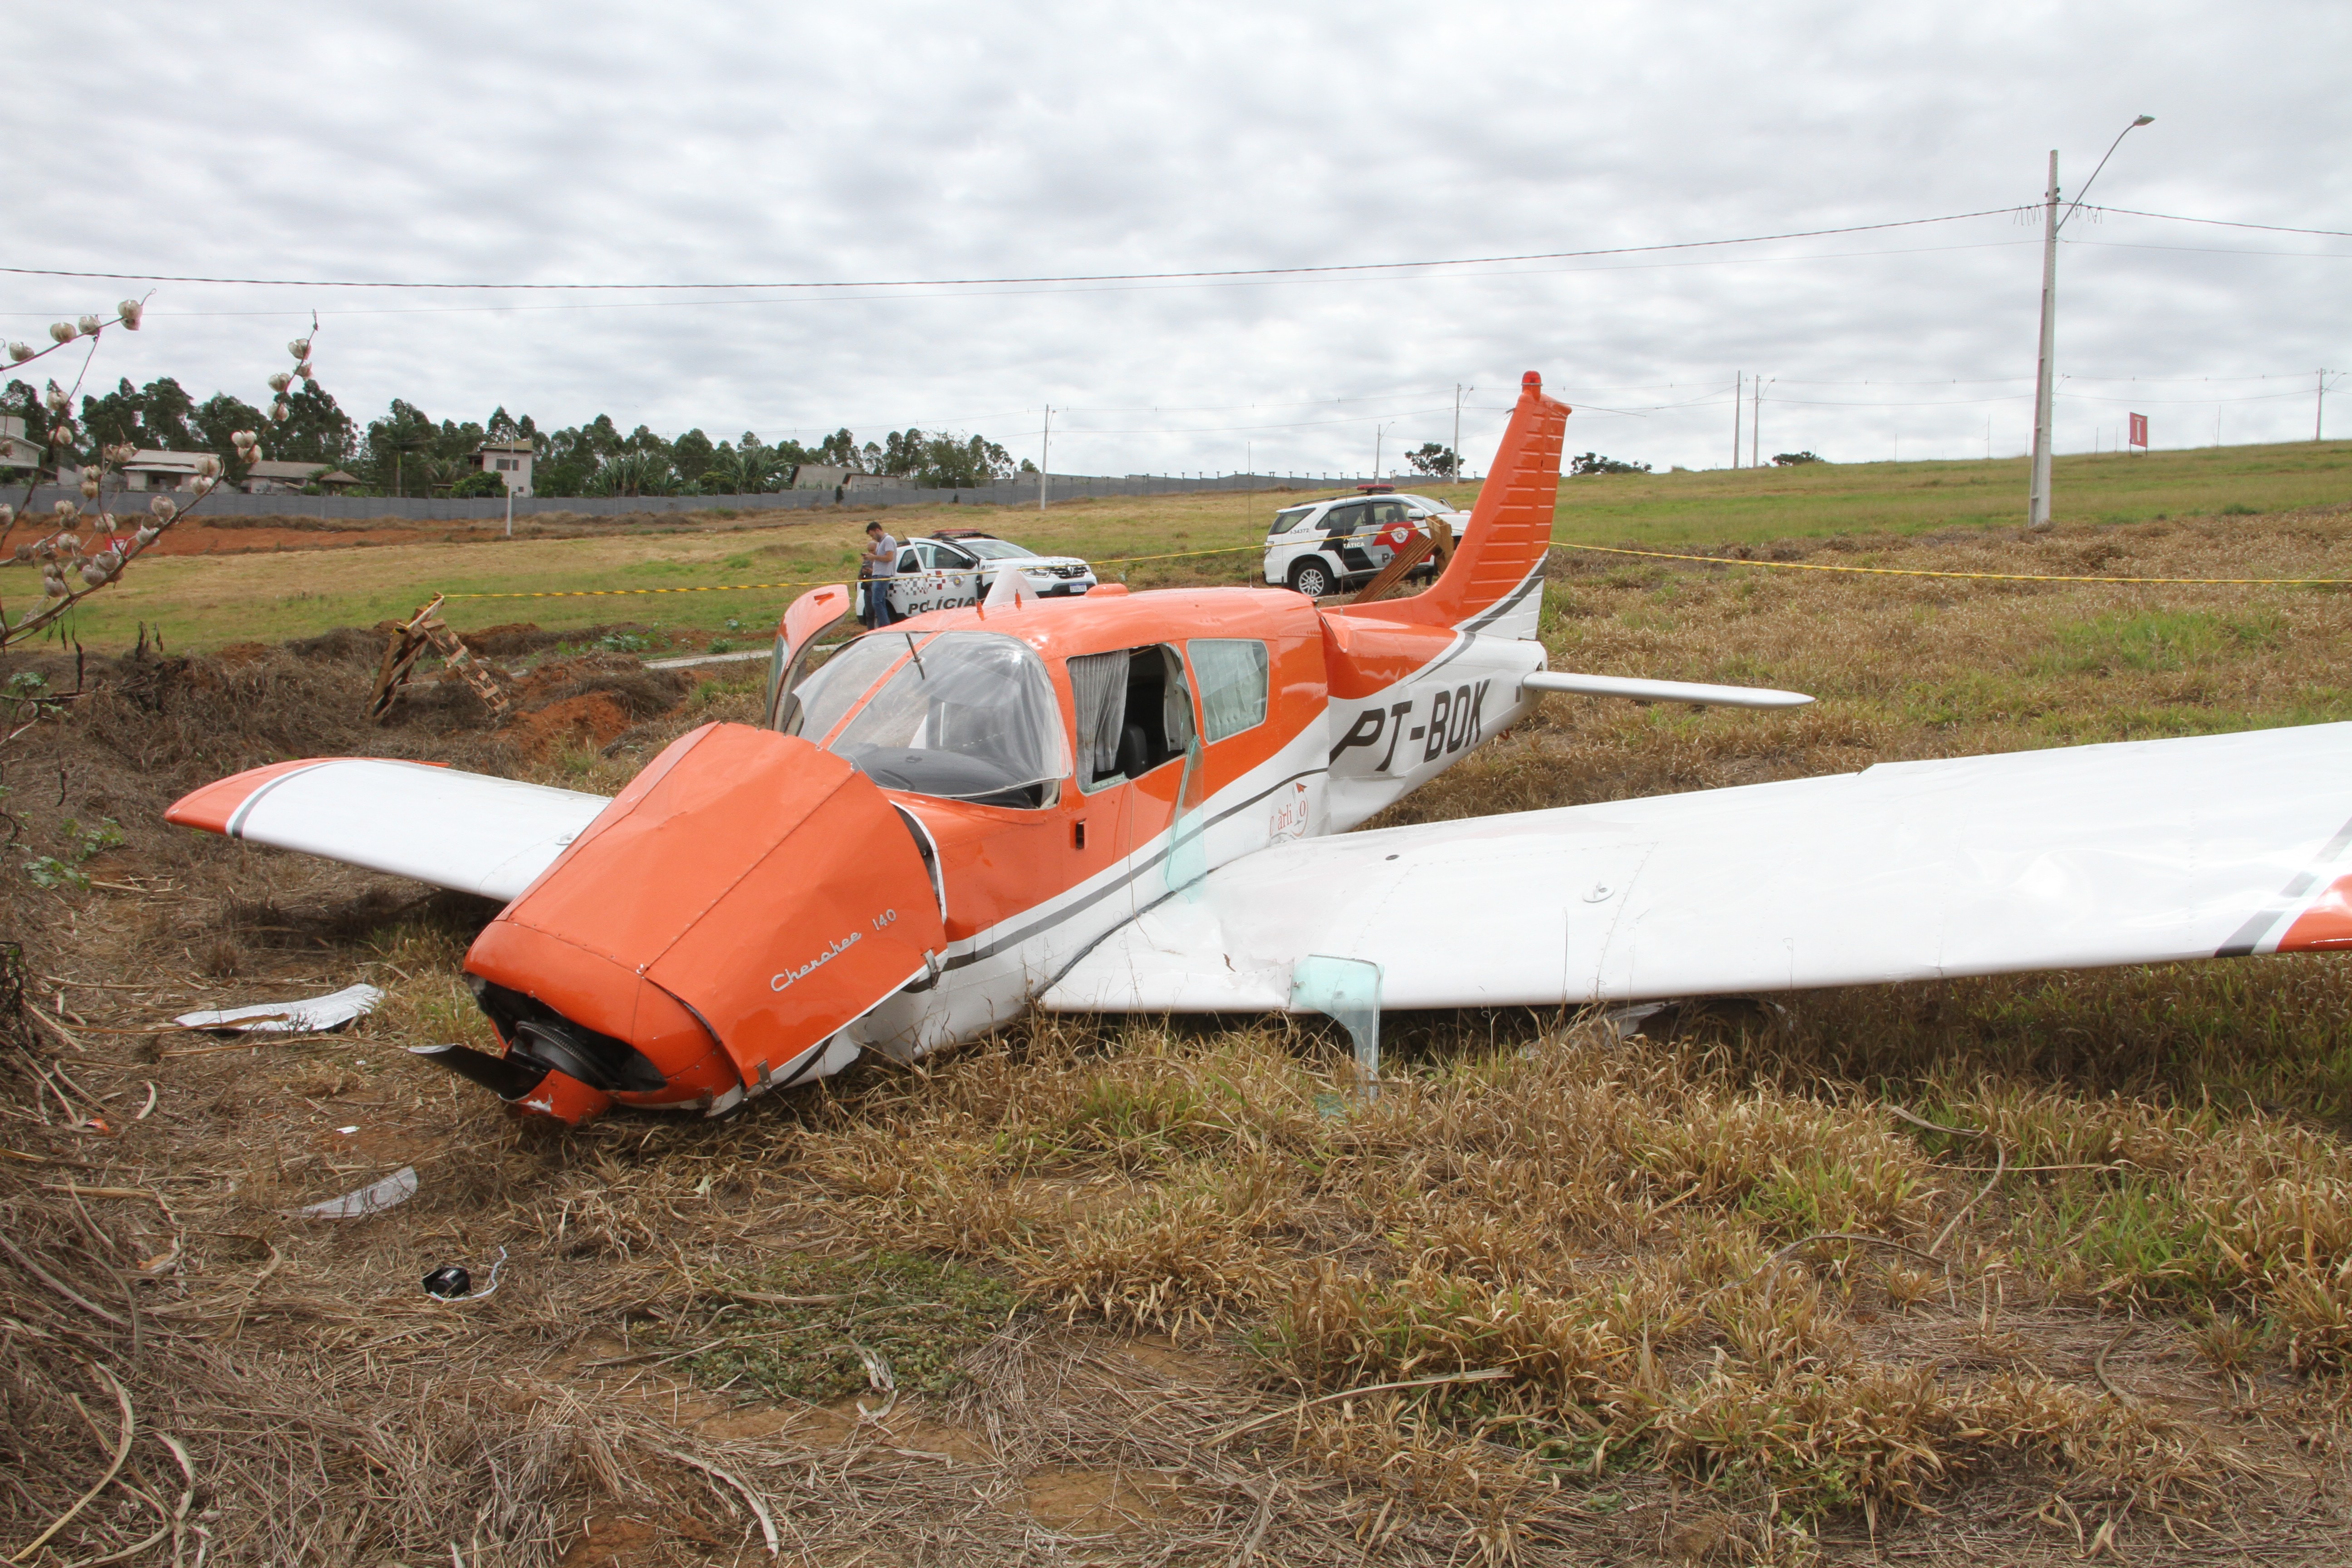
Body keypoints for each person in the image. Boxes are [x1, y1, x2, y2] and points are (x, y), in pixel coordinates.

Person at [861, 520, 902, 628]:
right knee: (880, 602)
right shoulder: (880, 543)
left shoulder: (888, 540)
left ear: (878, 530)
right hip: (878, 574)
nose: (873, 538)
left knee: (877, 602)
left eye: (873, 535)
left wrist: (874, 557)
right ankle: (884, 624)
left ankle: (885, 625)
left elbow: (889, 558)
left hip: (883, 575)